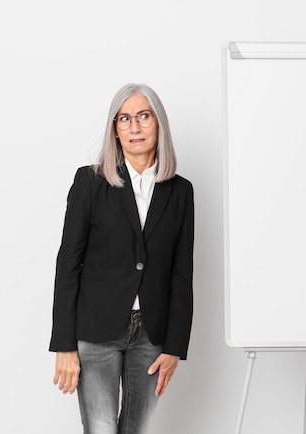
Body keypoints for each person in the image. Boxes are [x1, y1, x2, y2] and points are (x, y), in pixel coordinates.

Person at [49, 83, 194, 434]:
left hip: (152, 335)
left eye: (143, 116)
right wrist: (64, 343)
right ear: (115, 129)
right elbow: (68, 263)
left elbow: (182, 274)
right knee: (101, 429)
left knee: (138, 430)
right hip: (96, 332)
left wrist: (176, 346)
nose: (135, 127)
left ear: (158, 123)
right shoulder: (90, 182)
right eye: (124, 119)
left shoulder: (180, 191)